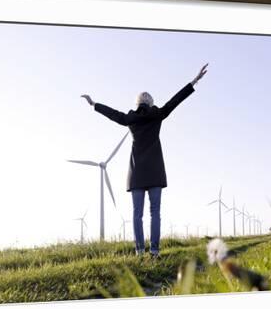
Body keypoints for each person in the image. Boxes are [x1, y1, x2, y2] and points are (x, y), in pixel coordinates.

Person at [80, 64, 208, 258]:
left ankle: (140, 251)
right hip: (155, 171)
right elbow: (175, 101)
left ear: (137, 103)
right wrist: (194, 81)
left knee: (136, 214)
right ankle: (154, 251)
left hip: (137, 172)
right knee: (155, 213)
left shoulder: (129, 119)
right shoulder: (158, 115)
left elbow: (113, 114)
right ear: (150, 102)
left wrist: (94, 104)